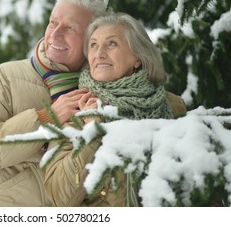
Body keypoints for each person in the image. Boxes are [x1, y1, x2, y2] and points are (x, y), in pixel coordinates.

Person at [0, 0, 111, 206]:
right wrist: (47, 119)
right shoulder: (7, 77)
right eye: (53, 23)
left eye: (70, 28)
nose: (55, 34)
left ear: (92, 40)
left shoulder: (106, 88)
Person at [44, 12, 187, 207]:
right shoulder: (74, 110)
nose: (100, 53)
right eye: (93, 45)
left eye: (111, 43)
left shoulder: (172, 105)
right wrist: (91, 133)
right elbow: (60, 198)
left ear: (137, 57)